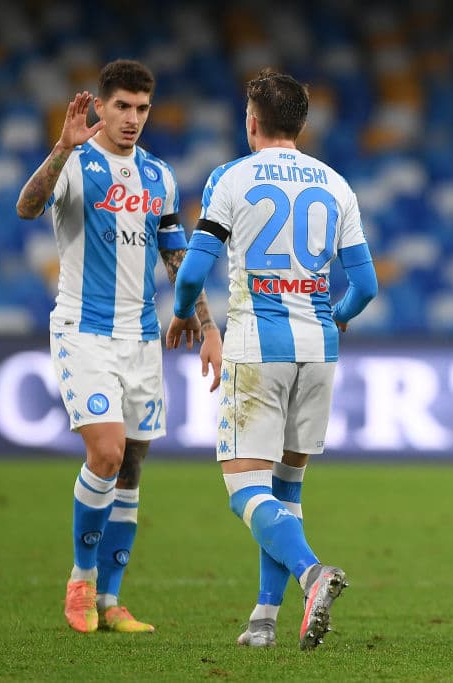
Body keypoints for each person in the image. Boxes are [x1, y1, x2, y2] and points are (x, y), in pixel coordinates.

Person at [167, 69, 378, 650]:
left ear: (251, 121)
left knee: (245, 491)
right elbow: (365, 286)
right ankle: (263, 621)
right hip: (319, 347)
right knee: (285, 489)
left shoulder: (230, 178)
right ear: (303, 125)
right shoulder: (336, 184)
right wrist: (331, 316)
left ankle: (312, 573)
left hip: (259, 344)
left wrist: (186, 310)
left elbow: (192, 270)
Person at [15, 59, 221, 634]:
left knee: (130, 466)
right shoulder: (76, 163)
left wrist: (206, 326)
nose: (133, 119)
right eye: (123, 107)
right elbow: (27, 207)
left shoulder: (158, 176)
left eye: (142, 109)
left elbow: (176, 256)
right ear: (100, 106)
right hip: (83, 330)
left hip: (140, 337)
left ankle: (112, 600)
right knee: (104, 453)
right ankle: (79, 580)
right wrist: (60, 147)